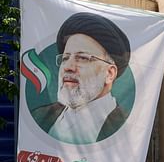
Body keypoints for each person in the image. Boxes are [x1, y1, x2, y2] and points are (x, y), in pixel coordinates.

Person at [31, 12, 131, 144]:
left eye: (83, 58)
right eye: (65, 58)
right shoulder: (40, 116)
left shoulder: (126, 127)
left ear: (109, 73)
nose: (68, 67)